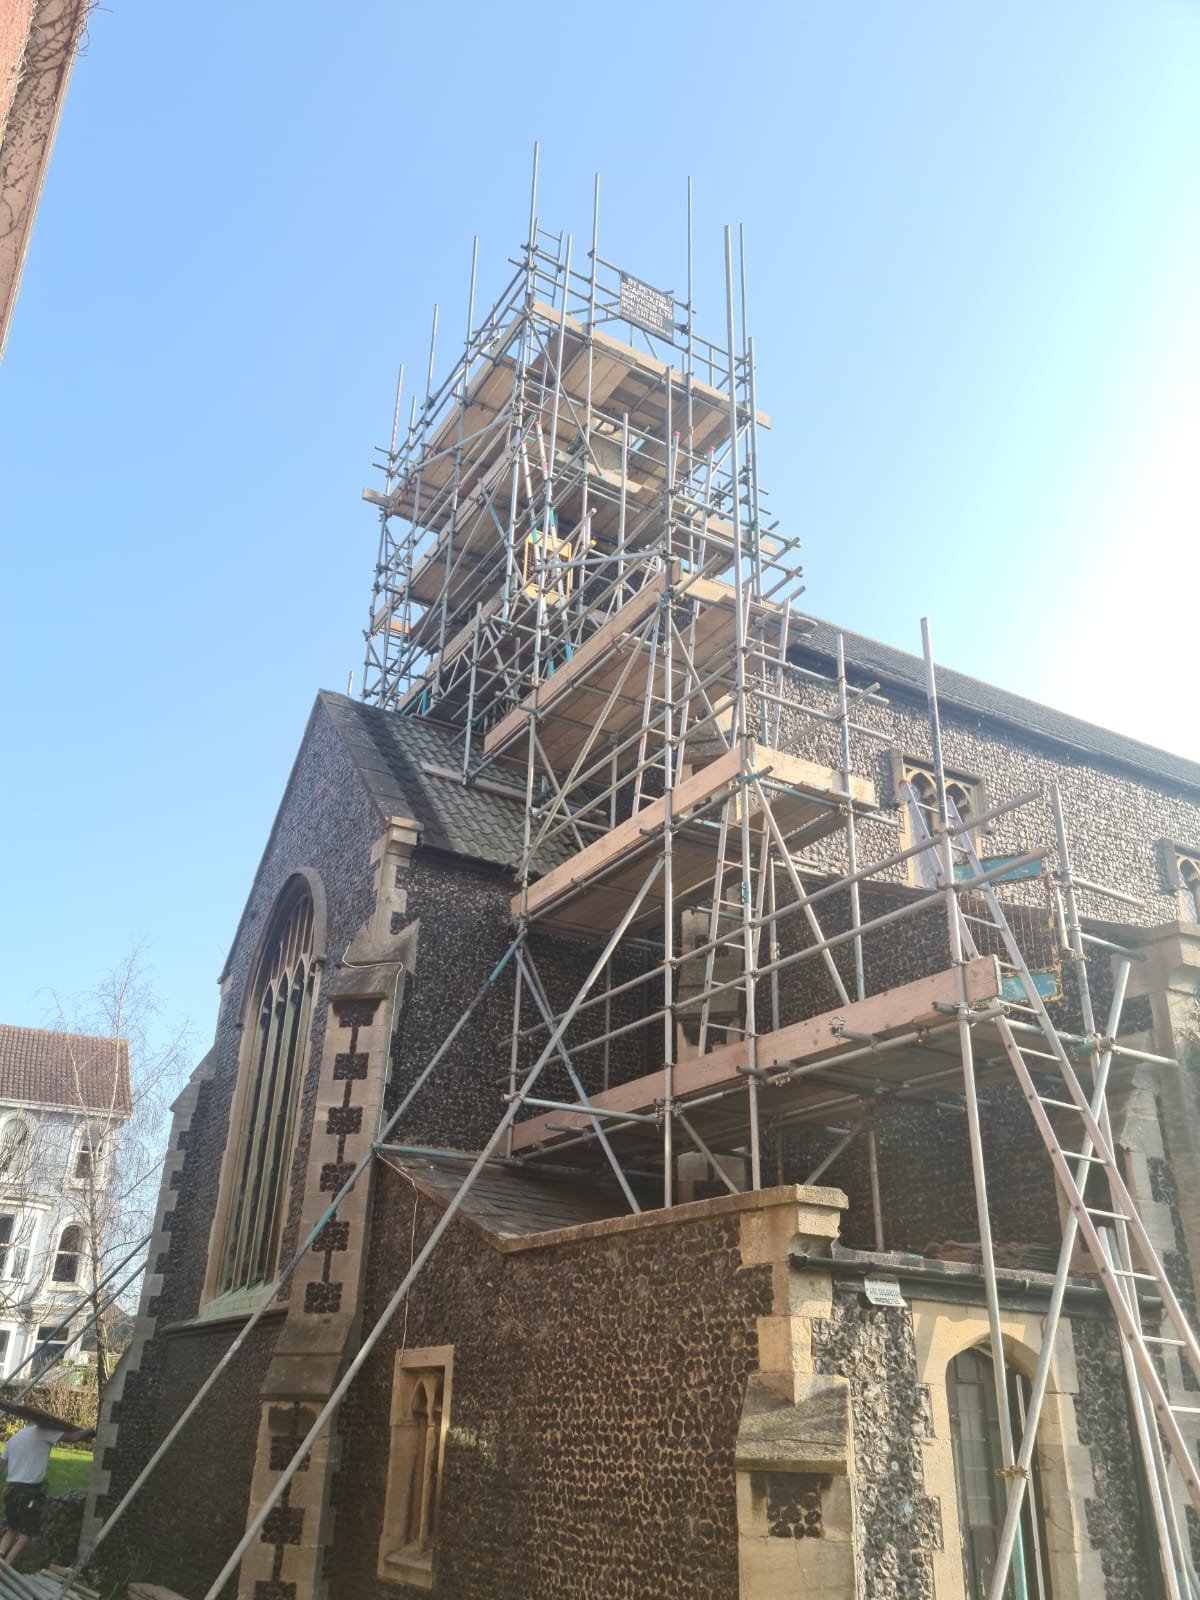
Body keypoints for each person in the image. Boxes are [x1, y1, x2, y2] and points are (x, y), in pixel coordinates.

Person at [0, 1420, 94, 1564]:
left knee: (12, 1529)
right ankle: (4, 1567)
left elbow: (1, 1464)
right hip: (29, 1493)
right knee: (25, 1534)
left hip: (10, 1490)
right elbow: (74, 1437)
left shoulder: (15, 1437)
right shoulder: (43, 1431)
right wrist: (88, 1430)